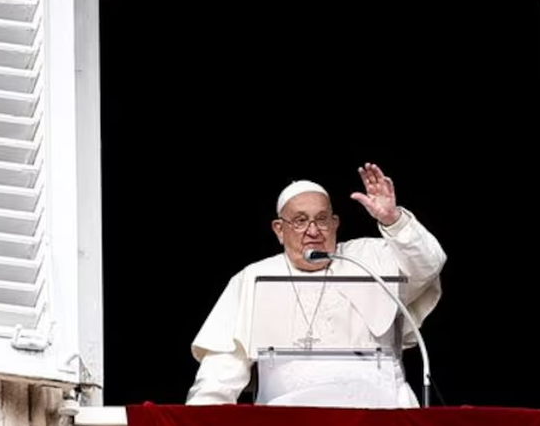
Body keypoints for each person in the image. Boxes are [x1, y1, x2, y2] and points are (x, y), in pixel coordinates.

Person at [185, 163, 447, 407]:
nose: (313, 231)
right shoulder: (254, 277)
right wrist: (203, 420)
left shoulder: (368, 258)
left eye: (322, 219)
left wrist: (394, 220)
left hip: (378, 410)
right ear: (279, 229)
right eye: (300, 221)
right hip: (289, 418)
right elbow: (223, 366)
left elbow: (428, 264)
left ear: (335, 224)